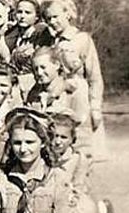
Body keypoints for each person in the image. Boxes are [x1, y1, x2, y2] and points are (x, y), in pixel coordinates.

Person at [39, 0, 107, 161]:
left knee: (81, 145)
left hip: (78, 96)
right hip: (55, 95)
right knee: (55, 142)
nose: (52, 22)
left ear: (67, 14)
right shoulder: (48, 40)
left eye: (55, 17)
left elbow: (95, 77)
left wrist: (96, 106)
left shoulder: (81, 39)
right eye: (48, 19)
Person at [50, 110, 117, 213]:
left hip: (74, 197)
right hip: (53, 198)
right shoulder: (46, 157)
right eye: (54, 136)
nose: (58, 141)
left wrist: (70, 200)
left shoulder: (78, 159)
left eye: (63, 137)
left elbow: (78, 186)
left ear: (72, 139)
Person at [27, 46, 92, 156]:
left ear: (56, 65)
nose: (39, 72)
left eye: (43, 67)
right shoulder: (33, 94)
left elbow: (82, 131)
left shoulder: (74, 91)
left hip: (69, 156)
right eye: (35, 68)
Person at [0, 0, 44, 100]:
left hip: (33, 85)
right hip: (14, 86)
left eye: (27, 13)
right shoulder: (10, 36)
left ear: (36, 17)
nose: (22, 16)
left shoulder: (41, 37)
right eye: (19, 12)